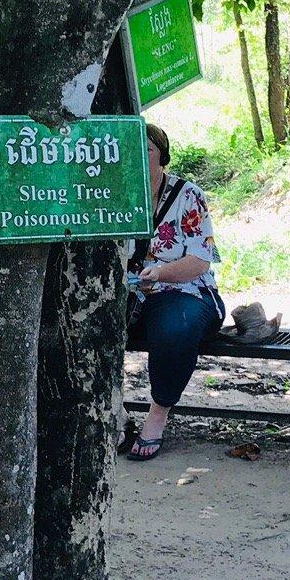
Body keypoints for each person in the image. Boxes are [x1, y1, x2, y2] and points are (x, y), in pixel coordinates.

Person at [124, 122, 225, 462]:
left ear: (162, 157)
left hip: (184, 289)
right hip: (132, 293)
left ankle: (157, 413)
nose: (139, 156)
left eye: (147, 150)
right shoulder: (115, 193)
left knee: (174, 328)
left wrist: (161, 271)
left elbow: (200, 259)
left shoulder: (188, 195)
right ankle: (115, 414)